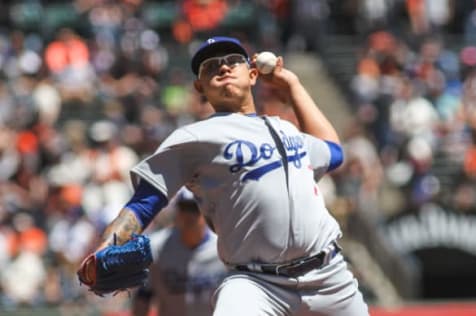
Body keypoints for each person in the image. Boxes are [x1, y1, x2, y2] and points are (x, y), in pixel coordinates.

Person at [78, 36, 370, 316]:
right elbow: (144, 203)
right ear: (200, 86)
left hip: (328, 273)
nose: (223, 66)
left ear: (253, 74)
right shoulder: (194, 138)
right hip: (257, 284)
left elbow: (334, 151)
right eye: (210, 66)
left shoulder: (286, 129)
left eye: (233, 60)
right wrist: (103, 250)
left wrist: (292, 85)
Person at [131, 187, 227, 316]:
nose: (189, 215)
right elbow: (144, 295)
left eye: (194, 209)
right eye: (184, 208)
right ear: (177, 212)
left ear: (206, 212)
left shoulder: (222, 248)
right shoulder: (157, 247)